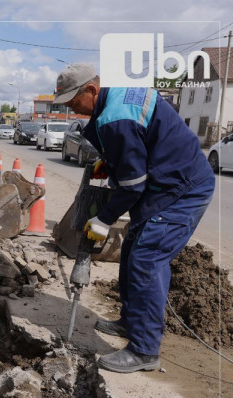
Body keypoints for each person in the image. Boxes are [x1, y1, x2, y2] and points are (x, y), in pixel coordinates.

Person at [53, 64, 215, 373]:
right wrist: (111, 162)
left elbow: (133, 185)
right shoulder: (118, 100)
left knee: (147, 258)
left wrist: (103, 219)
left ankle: (144, 351)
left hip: (182, 188)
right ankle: (131, 321)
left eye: (74, 101)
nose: (73, 108)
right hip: (167, 180)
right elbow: (144, 138)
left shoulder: (116, 118)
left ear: (92, 90)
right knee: (132, 249)